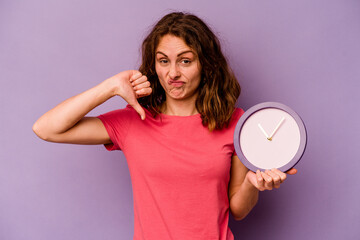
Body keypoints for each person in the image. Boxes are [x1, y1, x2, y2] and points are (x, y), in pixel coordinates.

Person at [33, 12, 297, 240]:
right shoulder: (133, 121)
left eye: (185, 60)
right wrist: (110, 87)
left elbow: (237, 210)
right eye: (163, 61)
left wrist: (253, 184)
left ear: (205, 65)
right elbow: (46, 128)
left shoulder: (234, 122)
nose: (173, 73)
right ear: (154, 66)